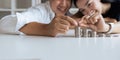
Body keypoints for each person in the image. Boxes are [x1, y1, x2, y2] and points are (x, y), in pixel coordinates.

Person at [0, 0, 78, 37]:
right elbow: (3, 24)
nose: (64, 4)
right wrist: (46, 28)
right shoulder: (40, 11)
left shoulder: (69, 15)